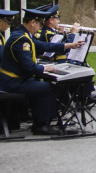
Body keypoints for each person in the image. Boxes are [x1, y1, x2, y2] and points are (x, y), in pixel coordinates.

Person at [0, 7, 84, 135]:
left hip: (12, 79)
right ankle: (42, 125)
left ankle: (38, 120)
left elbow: (44, 45)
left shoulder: (22, 34)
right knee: (48, 88)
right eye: (39, 24)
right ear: (32, 22)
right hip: (11, 82)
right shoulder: (21, 39)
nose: (40, 27)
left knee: (38, 83)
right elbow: (29, 67)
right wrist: (45, 68)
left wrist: (69, 45)